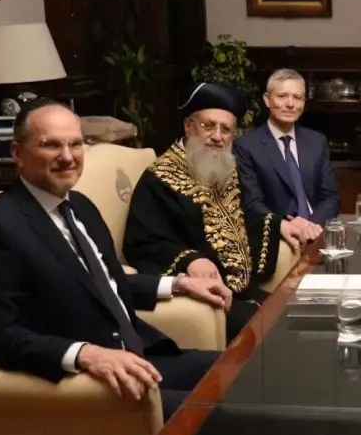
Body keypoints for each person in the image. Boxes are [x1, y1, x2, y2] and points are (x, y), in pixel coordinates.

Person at [0, 99, 230, 419]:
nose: (67, 156)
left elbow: (101, 280)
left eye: (75, 144)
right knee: (224, 416)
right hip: (93, 383)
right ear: (17, 153)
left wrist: (179, 284)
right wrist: (84, 355)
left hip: (140, 357)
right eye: (51, 145)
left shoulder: (80, 206)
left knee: (244, 372)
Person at [124, 83, 300, 342]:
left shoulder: (222, 168)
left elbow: (242, 217)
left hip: (243, 291)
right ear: (188, 126)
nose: (217, 136)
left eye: (226, 129)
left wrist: (276, 224)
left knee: (299, 317)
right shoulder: (159, 179)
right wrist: (190, 260)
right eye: (208, 126)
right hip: (211, 296)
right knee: (280, 338)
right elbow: (144, 242)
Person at [234, 68, 340, 241]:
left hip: (317, 232)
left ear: (303, 103)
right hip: (278, 236)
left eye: (297, 98)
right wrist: (287, 225)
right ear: (267, 100)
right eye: (282, 96)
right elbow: (252, 203)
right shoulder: (246, 146)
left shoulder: (316, 141)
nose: (290, 104)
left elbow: (331, 196)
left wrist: (312, 225)